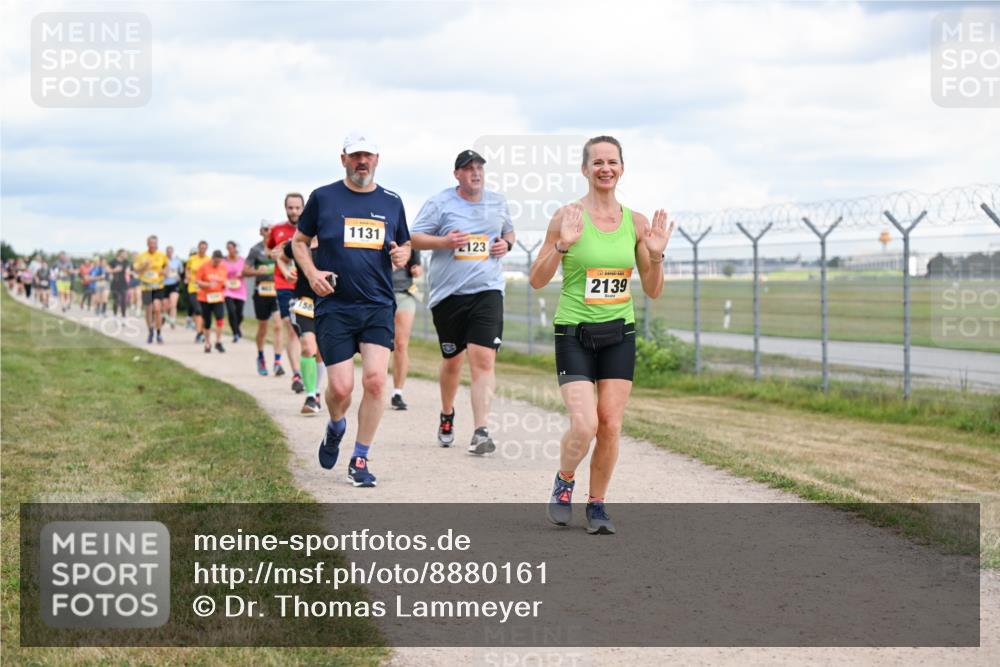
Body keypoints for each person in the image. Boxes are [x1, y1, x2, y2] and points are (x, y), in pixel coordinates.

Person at [529, 135, 673, 535]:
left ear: (622, 168)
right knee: (585, 424)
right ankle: (564, 481)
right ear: (585, 169)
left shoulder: (637, 223)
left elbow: (654, 288)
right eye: (597, 162)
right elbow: (537, 280)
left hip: (619, 333)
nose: (605, 169)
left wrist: (657, 254)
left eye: (612, 162)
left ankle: (597, 506)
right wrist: (561, 245)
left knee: (610, 423)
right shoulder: (567, 216)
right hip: (574, 332)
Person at [292, 130, 411, 488]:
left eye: (368, 156)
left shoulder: (392, 201)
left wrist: (403, 254)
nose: (362, 162)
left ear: (377, 160)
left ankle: (360, 457)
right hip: (335, 305)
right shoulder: (323, 197)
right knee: (341, 389)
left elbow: (403, 244)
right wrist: (311, 273)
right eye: (355, 155)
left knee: (375, 382)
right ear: (343, 159)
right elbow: (299, 241)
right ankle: (335, 426)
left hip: (377, 304)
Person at [410, 149, 515, 454]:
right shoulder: (440, 203)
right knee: (452, 361)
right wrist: (444, 242)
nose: (476, 173)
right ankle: (447, 414)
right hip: (449, 295)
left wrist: (505, 244)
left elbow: (508, 230)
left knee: (483, 358)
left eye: (479, 168)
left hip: (488, 290)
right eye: (468, 169)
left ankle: (481, 430)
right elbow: (413, 237)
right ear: (457, 174)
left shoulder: (498, 201)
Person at [283, 236, 327, 415]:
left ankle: (316, 392)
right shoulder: (297, 242)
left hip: (326, 303)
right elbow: (280, 256)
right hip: (303, 302)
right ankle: (310, 396)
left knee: (321, 352)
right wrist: (286, 271)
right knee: (309, 347)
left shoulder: (333, 239)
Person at [267, 195, 306, 393]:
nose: (294, 212)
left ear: (303, 208)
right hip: (284, 285)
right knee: (292, 328)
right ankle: (297, 374)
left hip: (306, 284)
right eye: (291, 208)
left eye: (298, 208)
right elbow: (270, 252)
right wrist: (274, 255)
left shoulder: (309, 229)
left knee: (306, 332)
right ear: (285, 208)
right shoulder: (276, 230)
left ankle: (308, 369)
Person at [245, 221, 283, 376]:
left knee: (279, 325)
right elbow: (245, 271)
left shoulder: (279, 248)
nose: (268, 232)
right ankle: (261, 357)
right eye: (266, 229)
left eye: (271, 229)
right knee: (263, 328)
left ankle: (277, 362)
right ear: (261, 231)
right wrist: (256, 271)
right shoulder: (255, 250)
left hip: (277, 291)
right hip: (261, 293)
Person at [388, 248, 422, 410]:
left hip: (404, 294)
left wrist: (416, 270)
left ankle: (397, 393)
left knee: (401, 344)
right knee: (378, 344)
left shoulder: (410, 242)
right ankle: (374, 386)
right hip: (379, 294)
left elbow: (417, 268)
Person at [133, 234, 169, 344]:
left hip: (158, 285)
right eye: (151, 243)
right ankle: (150, 332)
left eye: (155, 243)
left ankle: (158, 333)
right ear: (147, 244)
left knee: (157, 309)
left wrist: (165, 272)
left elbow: (166, 267)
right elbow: (136, 271)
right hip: (146, 286)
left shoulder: (161, 255)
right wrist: (145, 265)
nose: (153, 245)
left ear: (157, 244)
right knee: (149, 309)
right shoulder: (142, 256)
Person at [196, 250, 228, 353]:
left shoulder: (223, 267)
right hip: (205, 297)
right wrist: (208, 285)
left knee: (220, 318)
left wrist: (226, 285)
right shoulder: (204, 267)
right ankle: (207, 343)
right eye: (216, 262)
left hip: (218, 297)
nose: (217, 264)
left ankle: (218, 342)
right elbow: (198, 281)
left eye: (219, 262)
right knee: (207, 321)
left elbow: (224, 281)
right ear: (212, 258)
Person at [185, 241, 210, 343]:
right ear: (198, 248)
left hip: (204, 289)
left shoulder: (209, 260)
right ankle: (199, 333)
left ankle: (202, 332)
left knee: (204, 312)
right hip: (193, 288)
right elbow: (187, 269)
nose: (202, 249)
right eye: (201, 247)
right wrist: (188, 276)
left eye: (204, 248)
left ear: (206, 249)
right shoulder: (192, 259)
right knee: (198, 310)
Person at [223, 241, 247, 343]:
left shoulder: (242, 260)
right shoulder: (223, 261)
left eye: (231, 248)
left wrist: (242, 273)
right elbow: (220, 272)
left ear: (235, 248)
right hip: (227, 290)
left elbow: (247, 271)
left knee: (239, 314)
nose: (229, 250)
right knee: (231, 311)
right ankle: (235, 333)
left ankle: (237, 327)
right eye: (228, 248)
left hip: (240, 289)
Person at [163, 245, 184, 329]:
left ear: (172, 252)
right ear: (166, 252)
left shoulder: (177, 261)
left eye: (171, 251)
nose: (169, 253)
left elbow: (182, 272)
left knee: (173, 304)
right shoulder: (162, 260)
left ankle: (173, 321)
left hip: (174, 284)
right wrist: (164, 273)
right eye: (168, 251)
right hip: (164, 284)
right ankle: (164, 317)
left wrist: (179, 277)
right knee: (165, 306)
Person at [108, 249, 130, 318]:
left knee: (123, 301)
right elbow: (107, 270)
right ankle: (115, 315)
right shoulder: (113, 261)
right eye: (125, 253)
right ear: (120, 254)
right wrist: (115, 270)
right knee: (116, 300)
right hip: (115, 283)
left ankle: (124, 316)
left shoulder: (126, 262)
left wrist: (129, 272)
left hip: (123, 283)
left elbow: (128, 270)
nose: (126, 255)